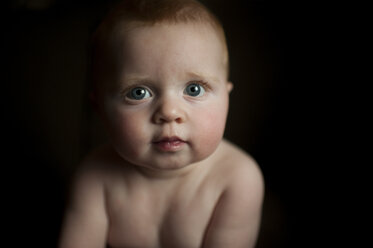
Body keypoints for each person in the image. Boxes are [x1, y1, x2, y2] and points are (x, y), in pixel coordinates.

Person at [59, 0, 264, 247]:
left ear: (227, 99)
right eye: (138, 93)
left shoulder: (237, 180)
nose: (169, 112)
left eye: (194, 89)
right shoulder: (94, 178)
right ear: (100, 110)